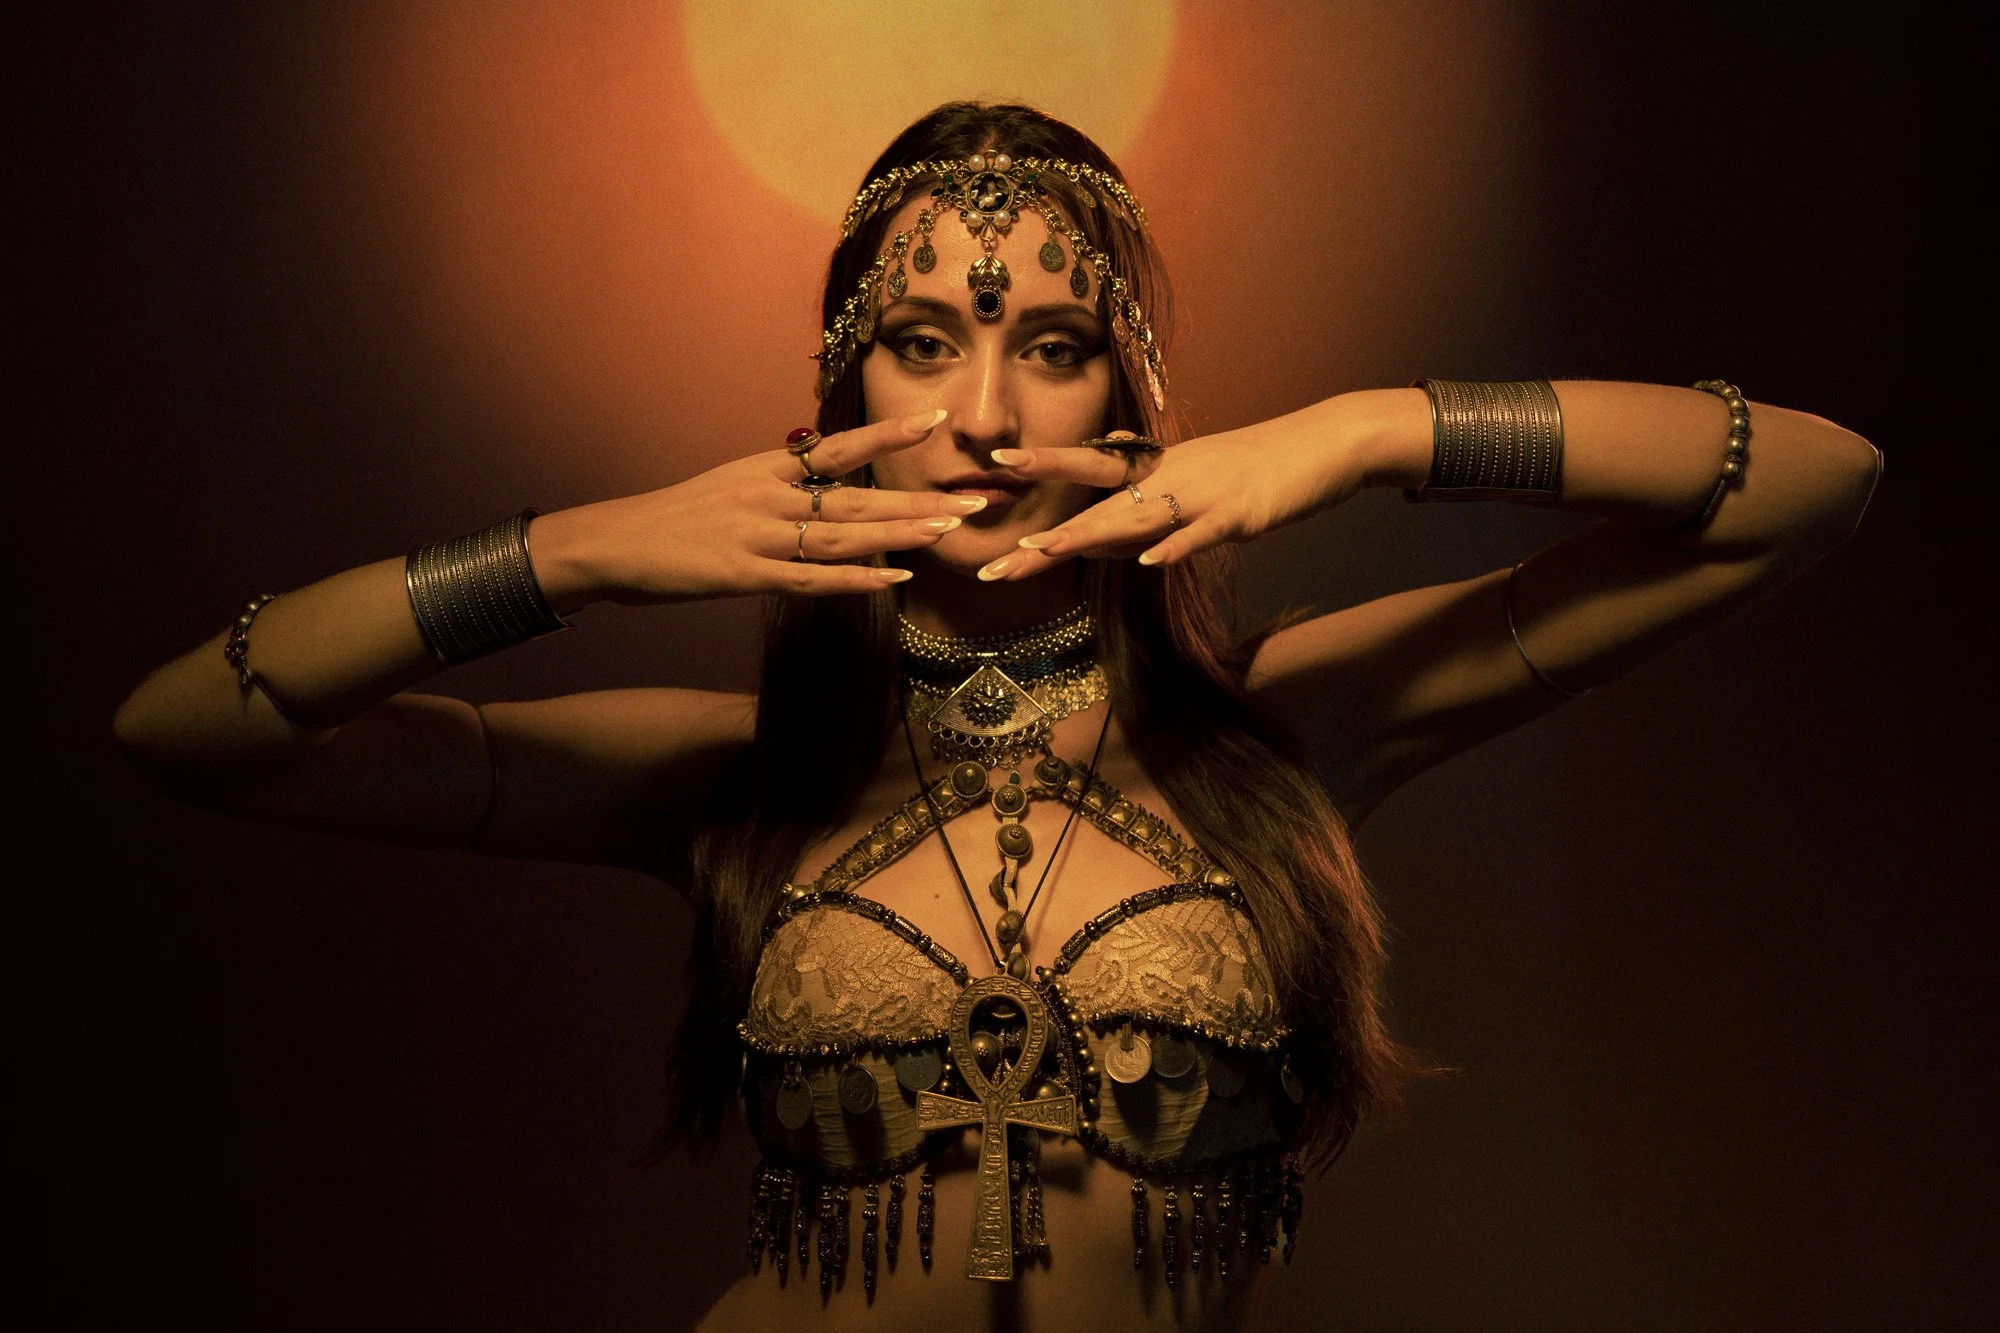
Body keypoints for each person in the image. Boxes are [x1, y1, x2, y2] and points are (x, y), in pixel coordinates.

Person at [112, 101, 1881, 1329]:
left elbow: (1807, 483)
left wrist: (1365, 431)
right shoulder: (735, 777)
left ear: (1130, 398)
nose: (981, 413)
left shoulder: (1282, 733)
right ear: (839, 388)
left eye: (1052, 343)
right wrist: (572, 553)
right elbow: (191, 728)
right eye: (920, 341)